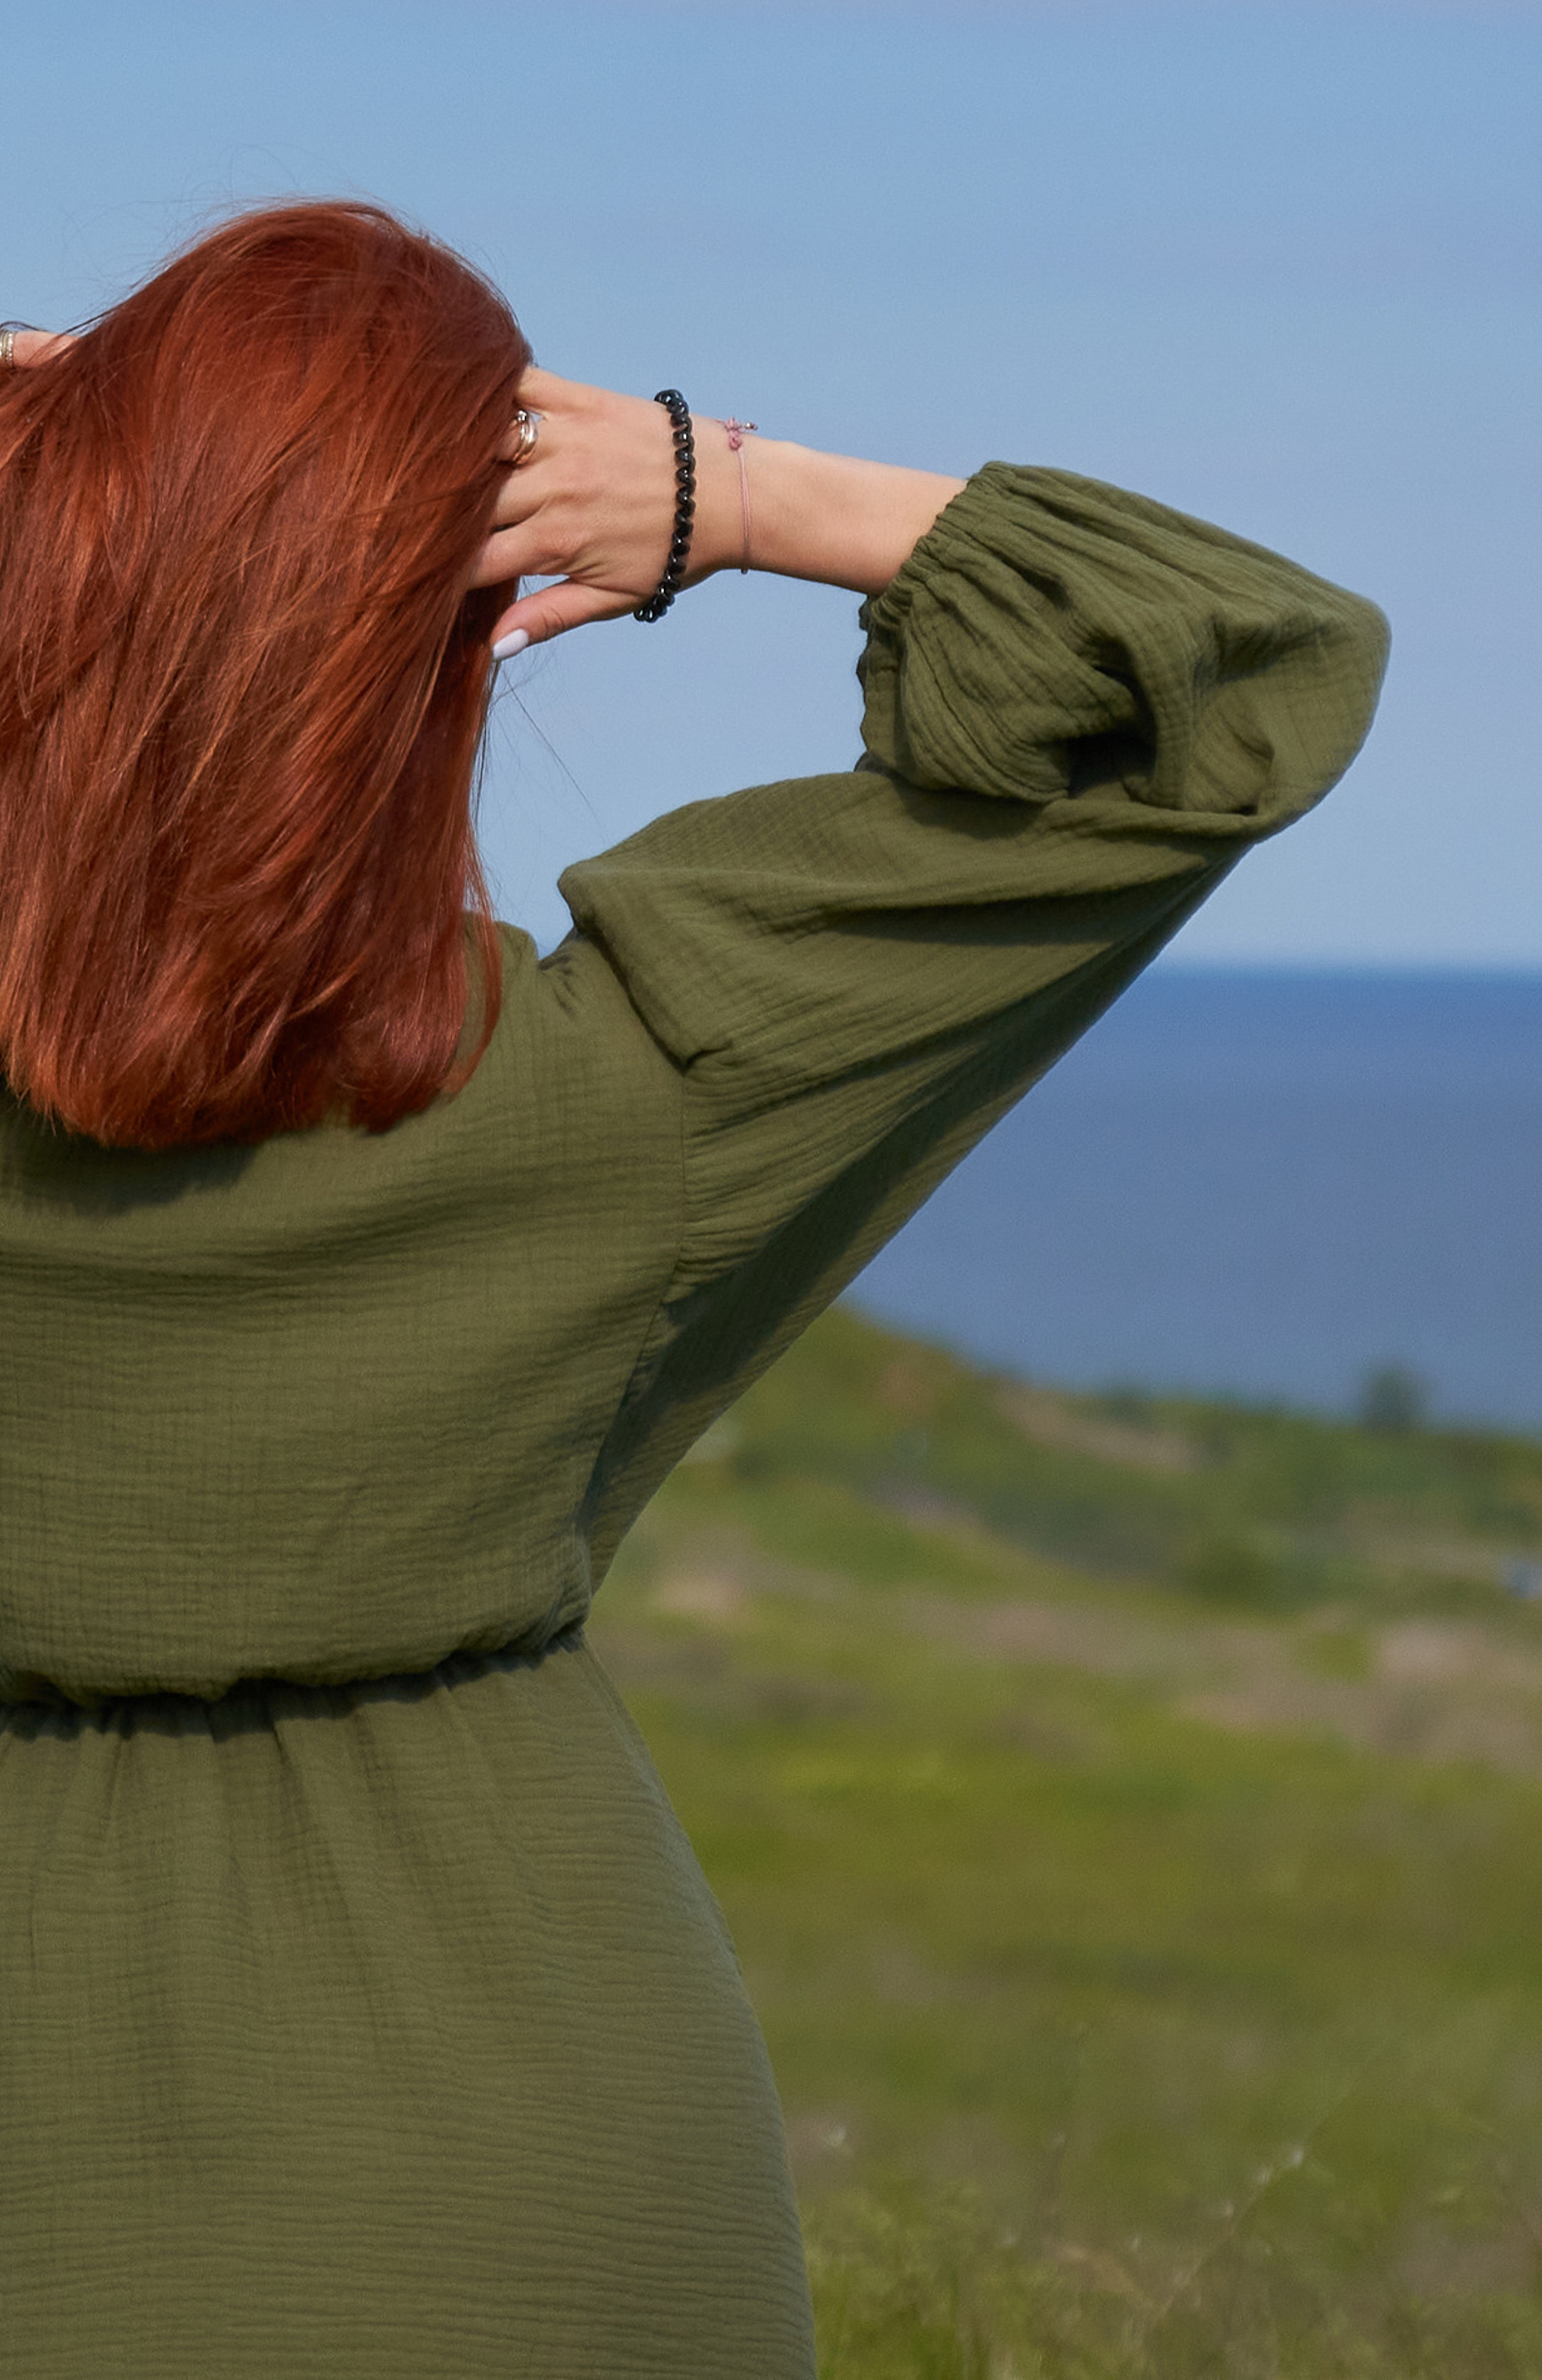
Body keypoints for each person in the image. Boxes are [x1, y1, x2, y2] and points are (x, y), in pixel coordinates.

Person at [0, 202, 1387, 2379]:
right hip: (517, 2171)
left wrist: (68, 452)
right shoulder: (623, 1101)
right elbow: (1231, 664)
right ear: (433, 657)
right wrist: (726, 494)